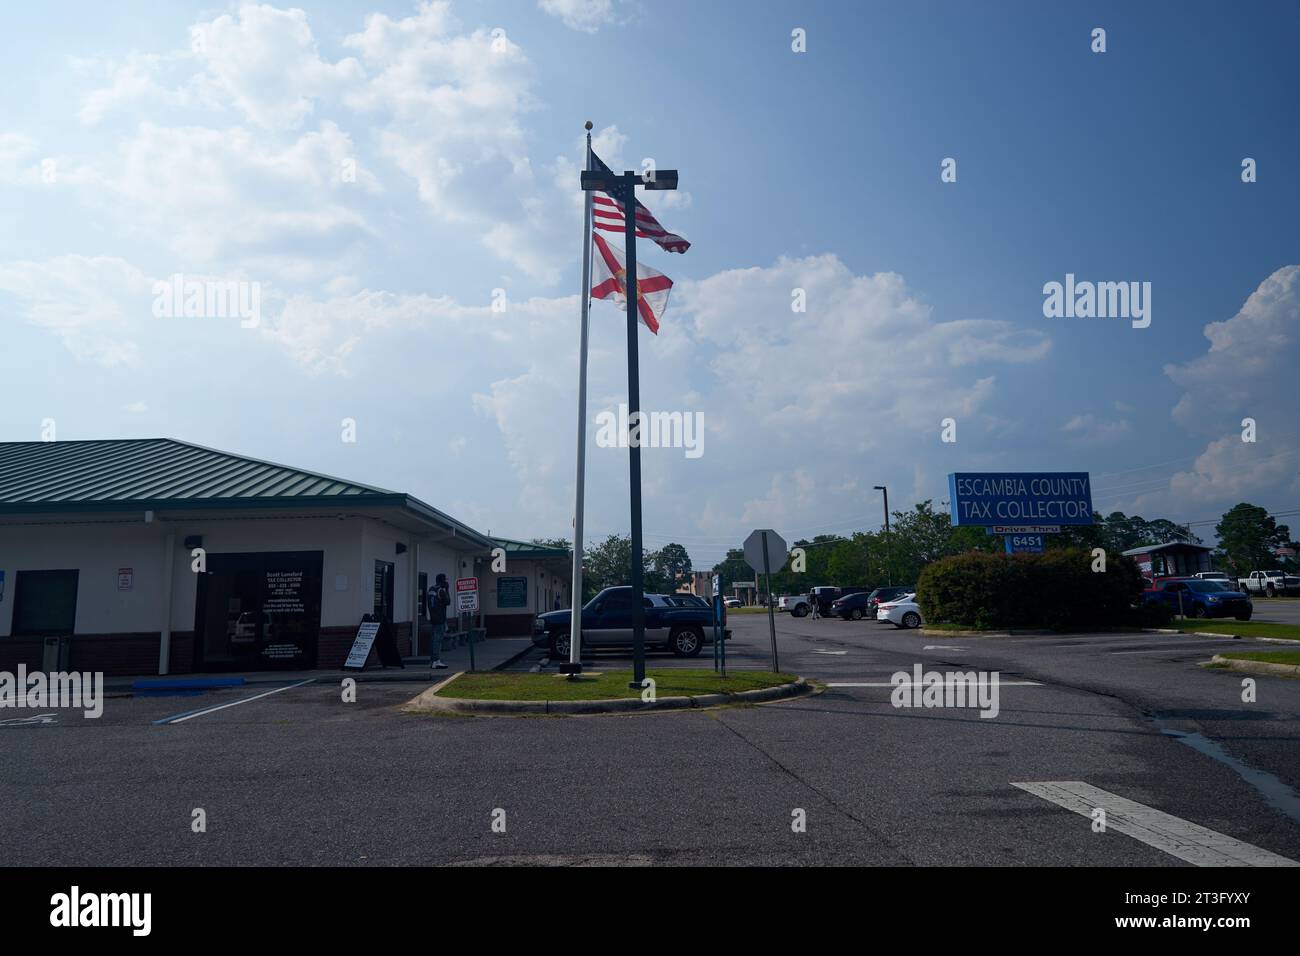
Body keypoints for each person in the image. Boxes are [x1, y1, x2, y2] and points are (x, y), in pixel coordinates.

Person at [427, 572, 451, 670]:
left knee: (433, 640)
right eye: (445, 580)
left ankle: (432, 660)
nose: (446, 582)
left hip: (433, 617)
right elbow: (448, 601)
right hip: (440, 618)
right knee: (438, 640)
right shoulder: (441, 590)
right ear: (443, 581)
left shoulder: (431, 589)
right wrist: (447, 589)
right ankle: (436, 661)